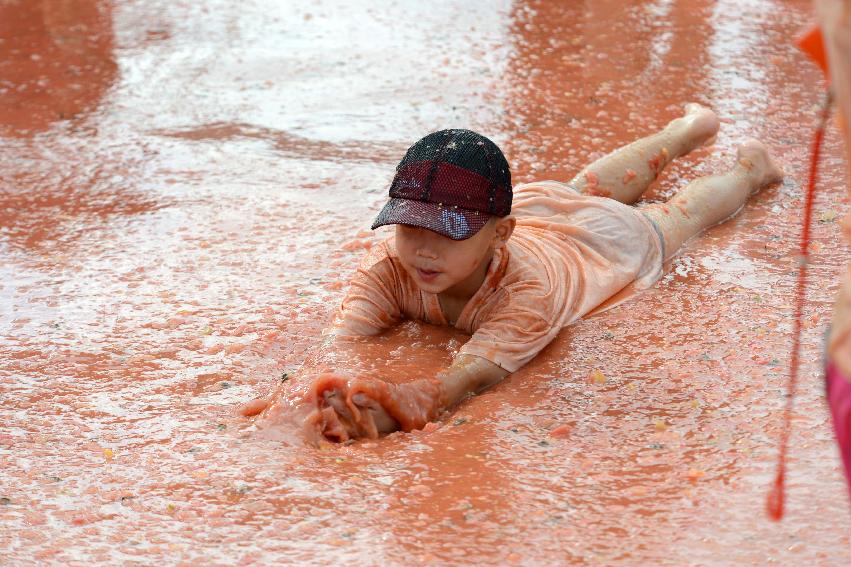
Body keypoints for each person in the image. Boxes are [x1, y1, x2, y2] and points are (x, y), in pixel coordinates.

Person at [241, 103, 783, 442]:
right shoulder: (391, 264)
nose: (424, 253)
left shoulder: (528, 294)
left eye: (447, 234)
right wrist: (302, 395)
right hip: (535, 209)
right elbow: (340, 341)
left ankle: (748, 171)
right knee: (575, 189)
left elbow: (467, 379)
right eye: (410, 229)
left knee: (674, 218)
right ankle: (686, 129)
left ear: (501, 232)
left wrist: (397, 408)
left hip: (595, 248)